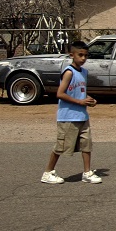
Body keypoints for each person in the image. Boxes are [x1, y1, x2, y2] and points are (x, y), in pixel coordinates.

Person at [40, 40, 102, 185]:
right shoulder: (69, 72)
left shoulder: (84, 72)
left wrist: (88, 100)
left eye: (86, 55)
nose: (83, 58)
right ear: (72, 55)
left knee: (86, 144)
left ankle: (87, 172)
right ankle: (48, 172)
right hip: (68, 116)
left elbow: (80, 92)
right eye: (80, 55)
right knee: (61, 146)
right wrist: (80, 102)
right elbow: (60, 94)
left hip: (82, 115)